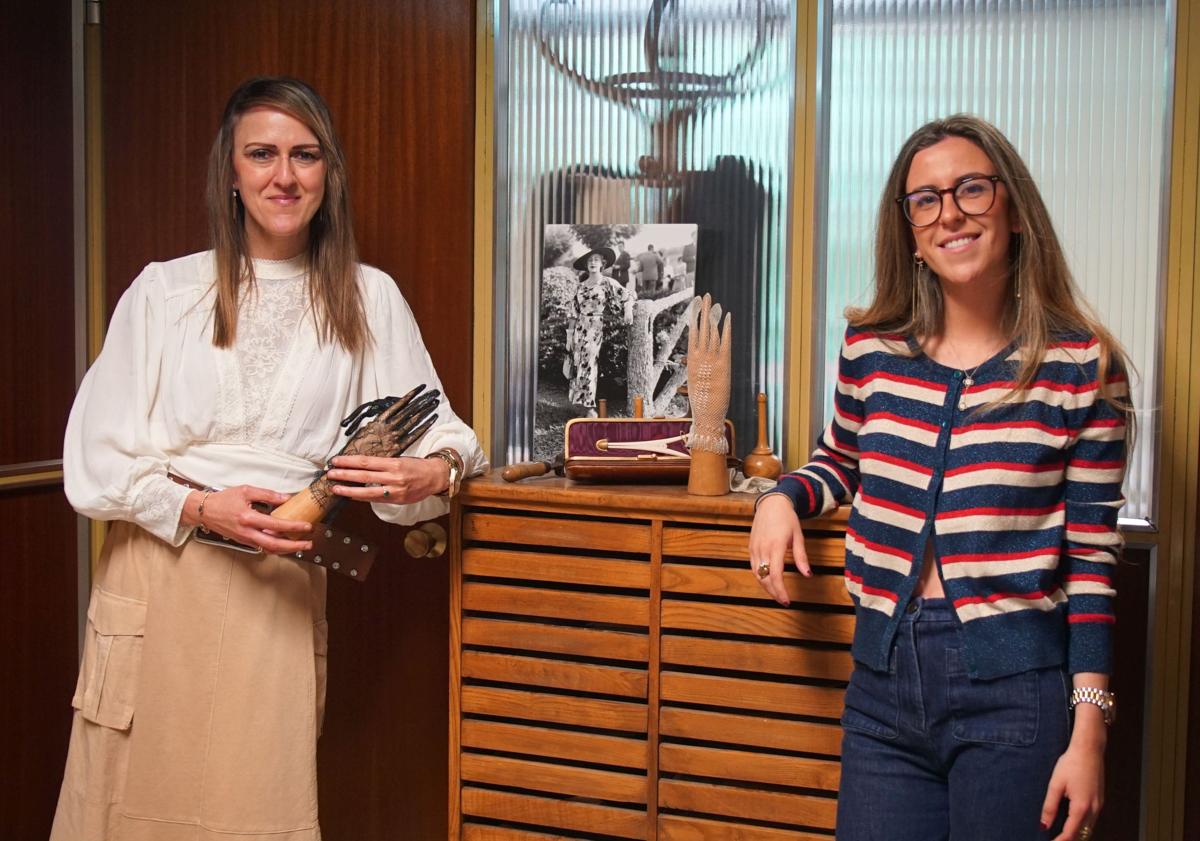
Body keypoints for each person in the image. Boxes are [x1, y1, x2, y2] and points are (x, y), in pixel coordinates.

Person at [51, 77, 485, 841]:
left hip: (276, 592)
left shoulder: (366, 297)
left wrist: (435, 470)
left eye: (304, 155)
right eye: (261, 154)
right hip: (158, 577)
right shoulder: (163, 292)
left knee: (255, 817)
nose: (283, 176)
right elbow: (93, 452)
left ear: (329, 174)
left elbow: (443, 435)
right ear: (232, 172)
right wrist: (195, 504)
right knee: (123, 814)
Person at [749, 115, 1129, 841]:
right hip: (882, 689)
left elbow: (1091, 563)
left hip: (1015, 698)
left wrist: (1089, 737)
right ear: (910, 229)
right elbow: (842, 459)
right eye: (925, 199)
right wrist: (780, 497)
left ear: (1013, 210)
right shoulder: (872, 348)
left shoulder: (1081, 366)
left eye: (972, 190)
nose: (949, 212)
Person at [566, 247, 629, 417]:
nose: (592, 263)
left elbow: (627, 296)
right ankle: (580, 405)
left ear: (603, 263)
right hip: (579, 327)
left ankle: (589, 408)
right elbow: (573, 311)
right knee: (579, 364)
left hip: (595, 327)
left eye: (596, 259)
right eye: (589, 260)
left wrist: (628, 310)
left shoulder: (607, 282)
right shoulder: (580, 287)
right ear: (586, 266)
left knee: (589, 365)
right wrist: (569, 336)